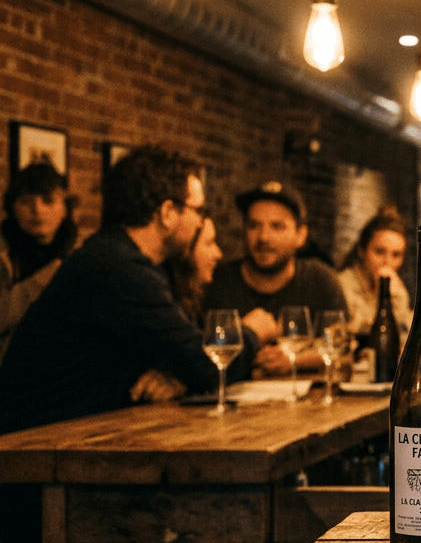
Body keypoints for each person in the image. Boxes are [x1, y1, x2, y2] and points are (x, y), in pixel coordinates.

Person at [0, 146, 273, 433]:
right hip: (30, 450)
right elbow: (205, 364)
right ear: (168, 213)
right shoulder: (117, 268)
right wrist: (253, 331)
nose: (200, 222)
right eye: (199, 210)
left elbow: (181, 353)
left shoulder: (121, 258)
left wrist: (176, 374)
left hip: (66, 438)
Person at [203, 181, 347, 375]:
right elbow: (197, 354)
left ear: (300, 235)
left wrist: (293, 360)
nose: (263, 237)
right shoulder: (218, 281)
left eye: (277, 227)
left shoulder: (320, 279)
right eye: (254, 225)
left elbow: (345, 354)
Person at [0, 161, 79, 361]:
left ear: (64, 208)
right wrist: (38, 283)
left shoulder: (77, 253)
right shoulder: (3, 253)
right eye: (26, 201)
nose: (37, 210)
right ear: (12, 208)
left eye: (48, 200)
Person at [338, 206, 413, 340]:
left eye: (396, 255)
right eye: (379, 252)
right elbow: (357, 333)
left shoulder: (397, 289)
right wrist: (382, 295)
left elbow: (401, 334)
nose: (387, 262)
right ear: (361, 250)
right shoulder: (342, 285)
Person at [167, 217, 224, 324]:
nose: (219, 254)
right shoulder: (167, 306)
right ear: (186, 252)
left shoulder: (191, 303)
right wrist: (248, 331)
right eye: (209, 243)